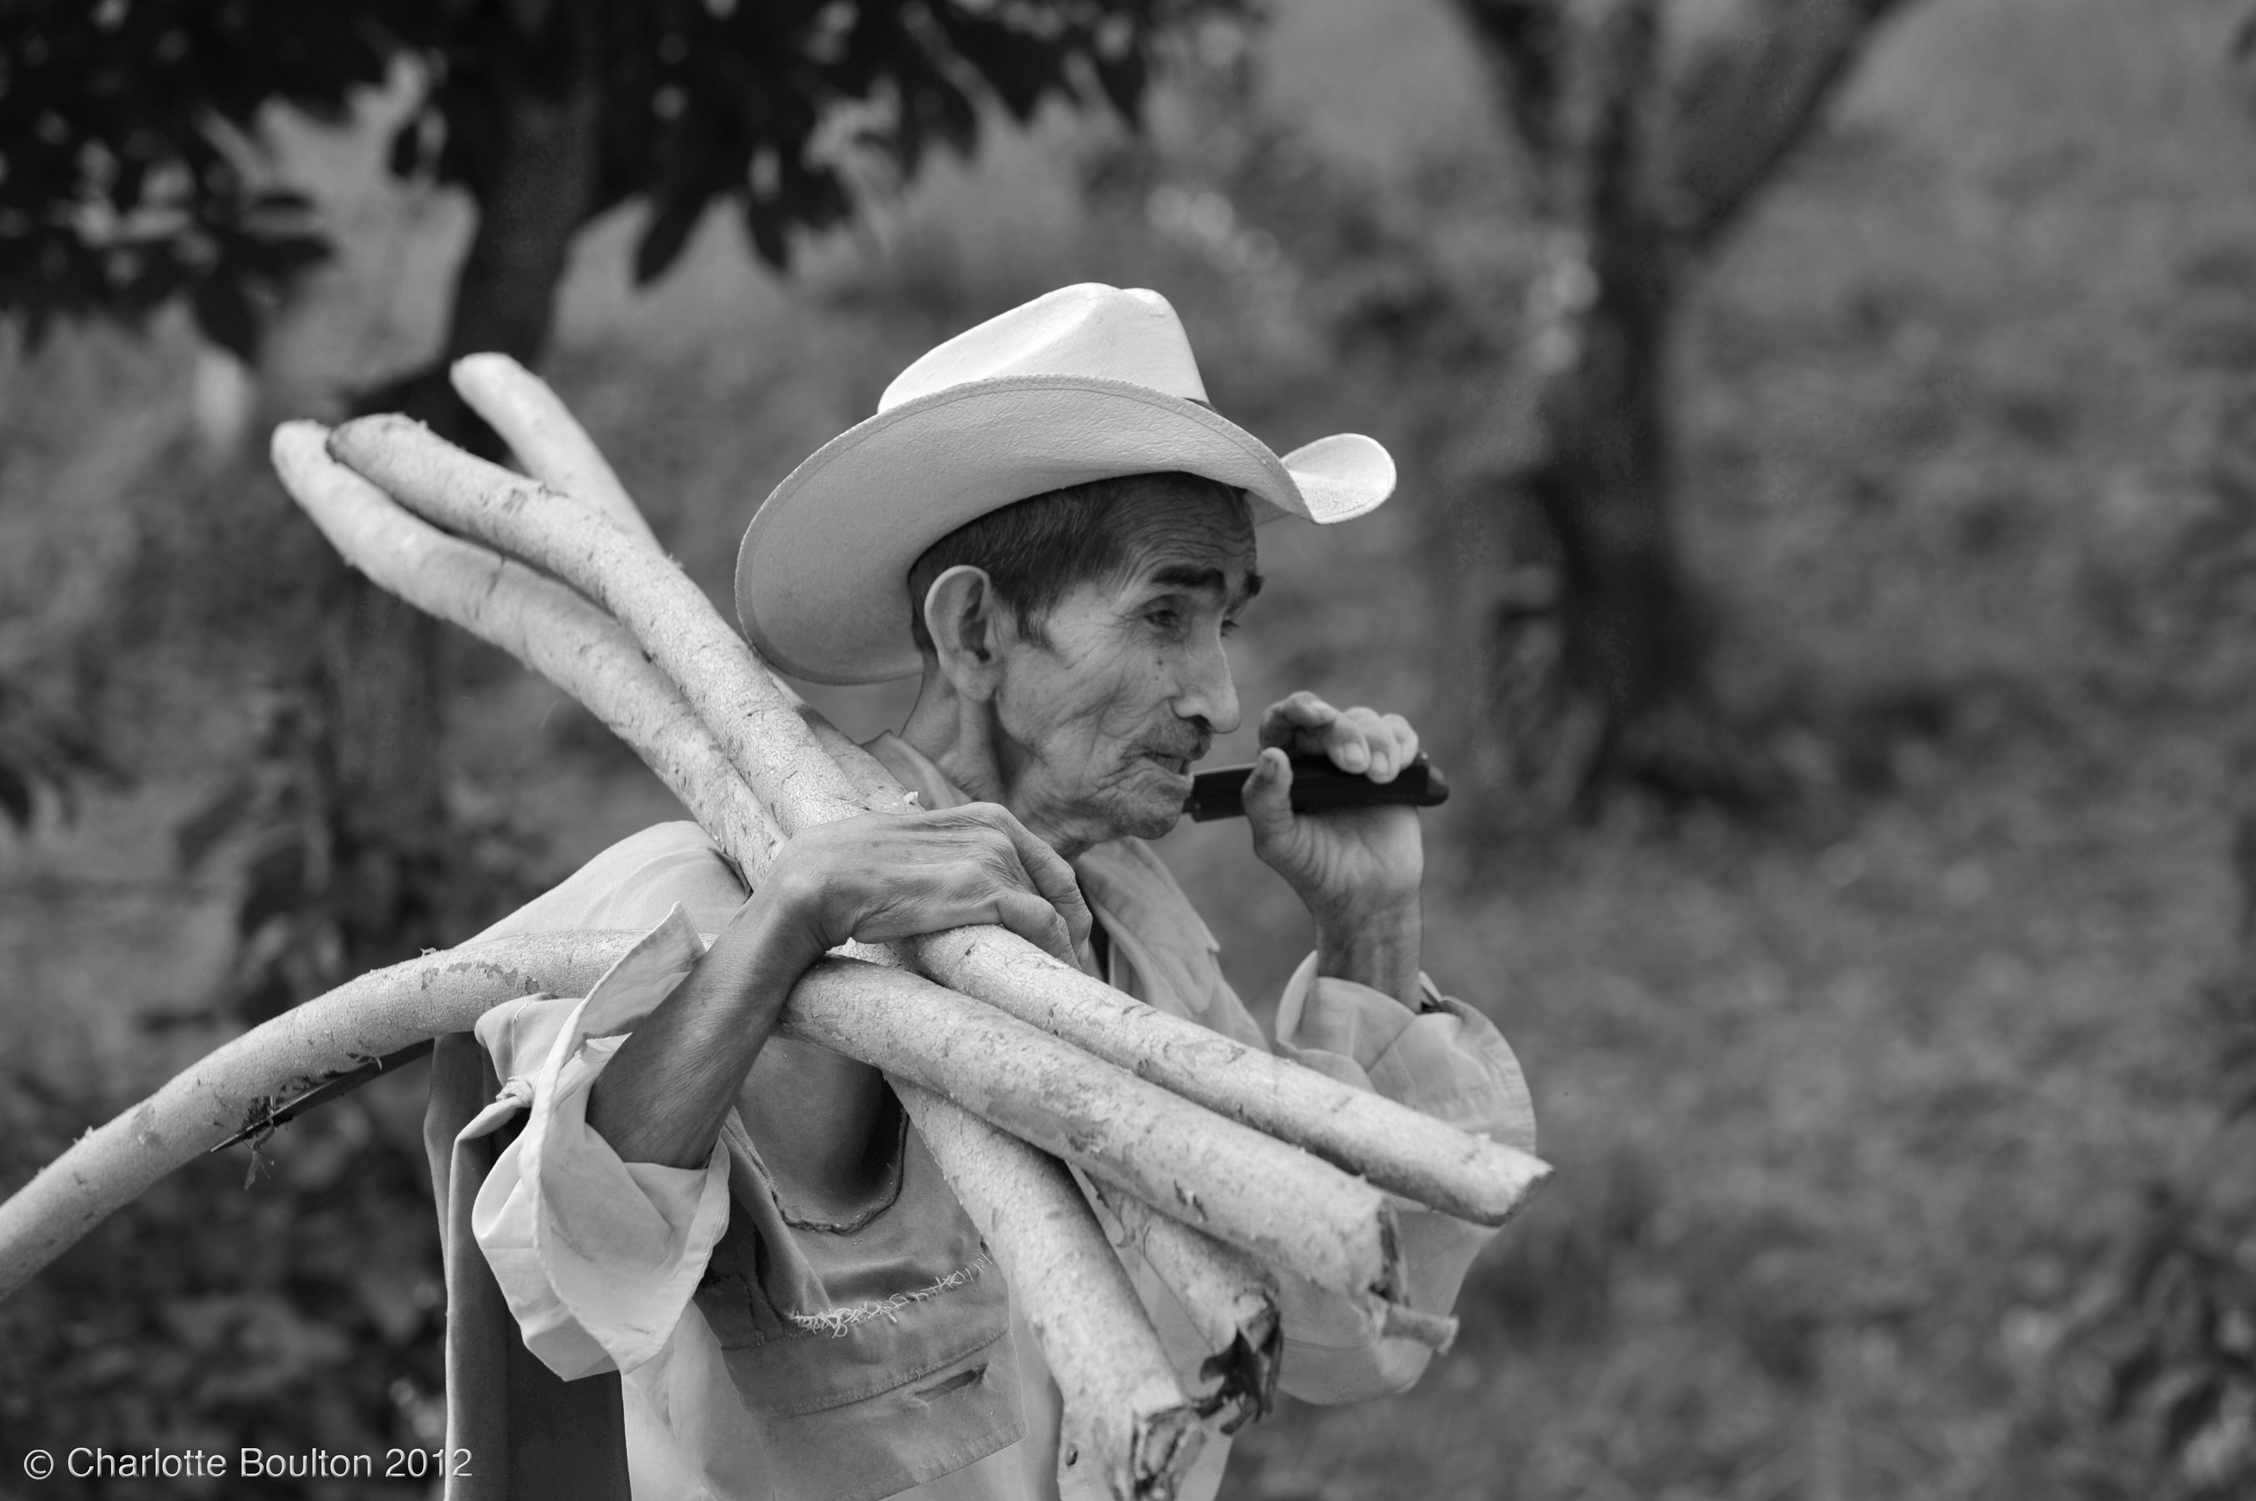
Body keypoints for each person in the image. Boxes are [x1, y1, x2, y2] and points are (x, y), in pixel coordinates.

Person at [443, 284, 1537, 1501]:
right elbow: (562, 1279)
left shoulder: (1137, 930)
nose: (1219, 699)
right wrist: (786, 927)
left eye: (1223, 619)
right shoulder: (715, 892)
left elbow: (1342, 1328)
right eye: (1165, 614)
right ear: (973, 631)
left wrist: (1369, 919)